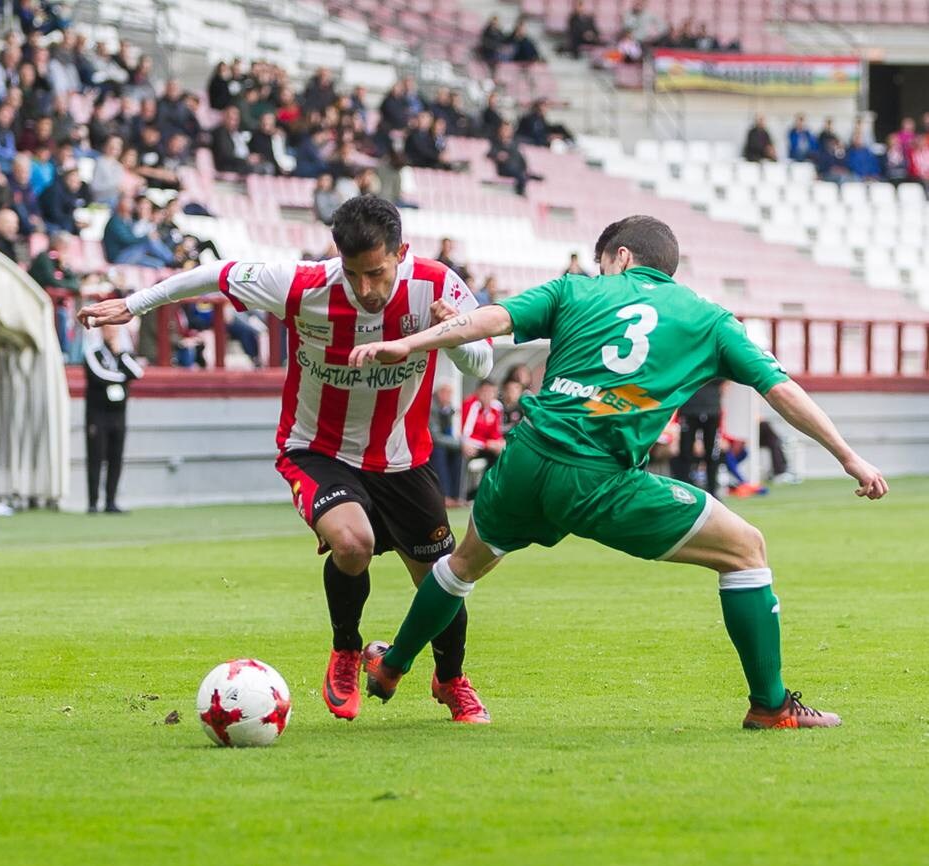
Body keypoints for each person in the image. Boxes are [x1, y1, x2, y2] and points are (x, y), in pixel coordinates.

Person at [348, 214, 888, 730]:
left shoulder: (575, 289)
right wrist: (848, 456)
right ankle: (770, 706)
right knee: (746, 549)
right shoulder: (710, 319)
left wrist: (409, 343)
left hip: (525, 459)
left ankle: (392, 664)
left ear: (621, 256)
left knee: (464, 565)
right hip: (596, 479)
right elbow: (781, 390)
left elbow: (494, 318)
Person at [79, 195, 496, 724]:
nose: (365, 289)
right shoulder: (303, 284)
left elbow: (481, 362)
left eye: (377, 273)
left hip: (402, 457)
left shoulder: (438, 285)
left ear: (401, 253)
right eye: (353, 273)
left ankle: (450, 678)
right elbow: (216, 273)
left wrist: (452, 331)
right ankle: (346, 648)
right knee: (352, 543)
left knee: (440, 577)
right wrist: (136, 304)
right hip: (317, 449)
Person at [83, 322, 143, 514]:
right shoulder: (94, 353)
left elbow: (137, 372)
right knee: (96, 456)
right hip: (97, 413)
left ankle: (111, 500)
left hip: (118, 413)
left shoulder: (123, 355)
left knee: (115, 456)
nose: (111, 333)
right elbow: (99, 375)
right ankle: (93, 502)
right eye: (108, 329)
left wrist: (121, 354)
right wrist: (122, 377)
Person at [428, 382, 463, 507]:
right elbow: (435, 437)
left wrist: (459, 445)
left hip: (441, 443)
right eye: (446, 393)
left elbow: (448, 433)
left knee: (457, 453)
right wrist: (460, 444)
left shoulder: (446, 408)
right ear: (439, 393)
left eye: (450, 394)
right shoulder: (431, 407)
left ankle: (455, 496)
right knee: (440, 451)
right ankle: (445, 496)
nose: (448, 397)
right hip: (429, 444)